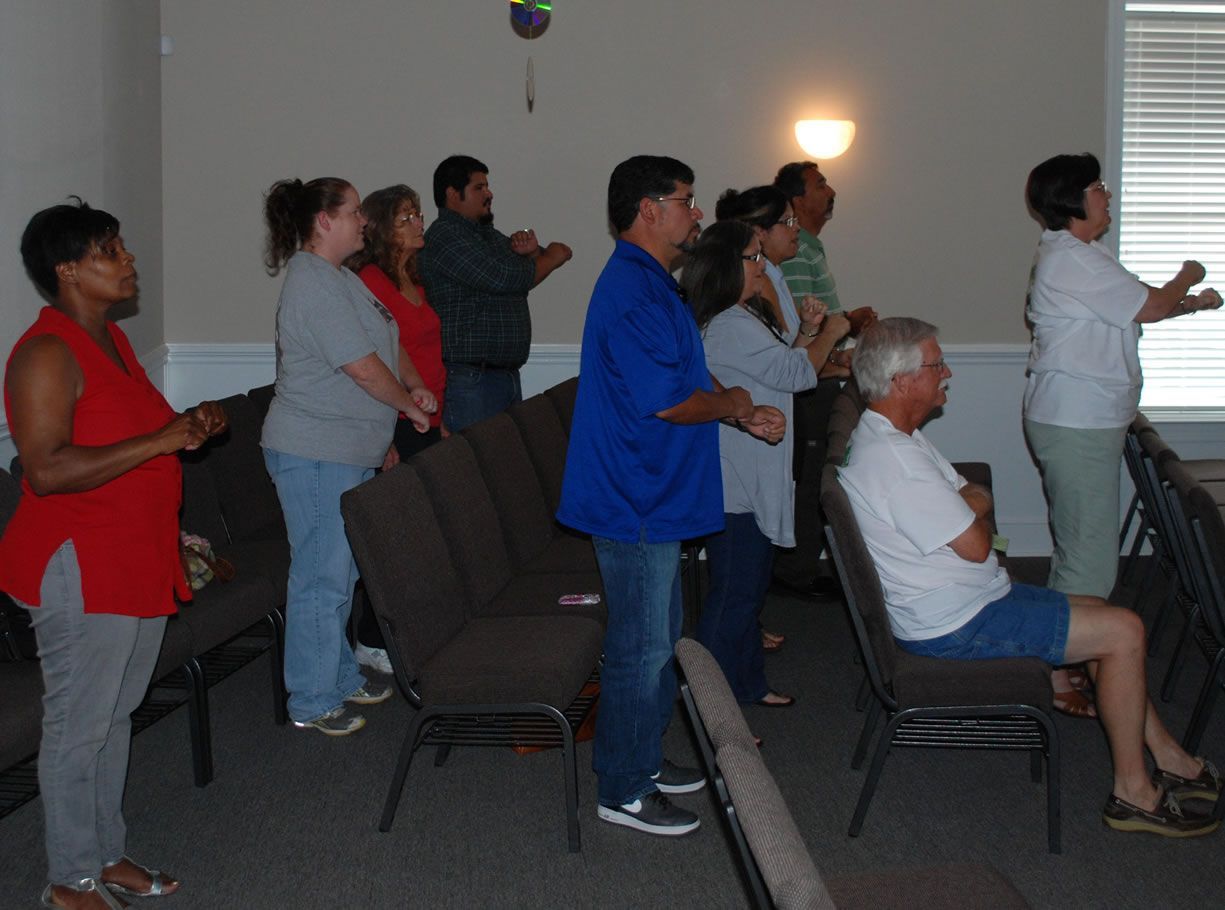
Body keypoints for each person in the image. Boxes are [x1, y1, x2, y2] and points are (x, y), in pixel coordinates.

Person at [840, 317, 1221, 837]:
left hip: (962, 602)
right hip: (956, 624)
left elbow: (971, 495)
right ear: (902, 382)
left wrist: (968, 503)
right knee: (1124, 631)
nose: (948, 372)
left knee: (1100, 611)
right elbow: (977, 544)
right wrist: (969, 504)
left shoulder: (892, 437)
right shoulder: (897, 463)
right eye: (937, 364)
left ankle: (1169, 757)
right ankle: (1133, 793)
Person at [1, 200, 227, 909]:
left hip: (133, 553)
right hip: (80, 562)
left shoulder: (111, 341)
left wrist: (190, 425)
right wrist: (162, 440)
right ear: (67, 270)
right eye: (109, 250)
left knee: (115, 713)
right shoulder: (45, 353)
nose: (128, 259)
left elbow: (136, 435)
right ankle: (69, 880)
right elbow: (46, 469)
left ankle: (104, 853)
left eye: (121, 246)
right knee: (78, 724)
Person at [557, 156, 785, 837]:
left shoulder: (654, 282)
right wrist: (734, 403)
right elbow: (668, 403)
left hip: (655, 493)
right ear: (648, 210)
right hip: (634, 497)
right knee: (639, 647)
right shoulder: (632, 289)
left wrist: (739, 411)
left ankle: (644, 761)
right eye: (686, 200)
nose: (697, 212)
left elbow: (686, 373)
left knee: (659, 638)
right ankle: (623, 788)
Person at [260, 177, 433, 737]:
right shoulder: (311, 282)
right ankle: (312, 699)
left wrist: (412, 390)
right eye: (354, 211)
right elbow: (360, 367)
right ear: (324, 221)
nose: (364, 221)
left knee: (342, 571)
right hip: (314, 450)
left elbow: (387, 343)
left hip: (346, 448)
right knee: (321, 575)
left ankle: (335, 675)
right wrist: (407, 407)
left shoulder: (341, 278)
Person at [1023, 153, 1222, 602]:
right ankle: (1070, 643)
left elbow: (1136, 306)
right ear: (1071, 199)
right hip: (1077, 420)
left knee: (1083, 547)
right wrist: (1188, 275)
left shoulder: (1086, 254)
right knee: (1089, 559)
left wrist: (1191, 304)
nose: (1107, 195)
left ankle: (1064, 640)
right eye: (1097, 188)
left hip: (1082, 418)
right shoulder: (1070, 259)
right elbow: (1150, 305)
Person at [686, 220, 841, 709]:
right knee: (735, 593)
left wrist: (809, 332)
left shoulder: (743, 316)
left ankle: (749, 684)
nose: (763, 266)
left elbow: (781, 366)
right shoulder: (728, 324)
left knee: (749, 592)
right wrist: (833, 332)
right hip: (737, 477)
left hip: (753, 468)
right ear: (727, 265)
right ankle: (710, 706)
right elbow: (797, 374)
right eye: (754, 257)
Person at [715, 185, 852, 648]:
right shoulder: (732, 315)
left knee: (752, 560)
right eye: (786, 223)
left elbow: (787, 355)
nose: (795, 231)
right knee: (740, 566)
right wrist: (830, 333)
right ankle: (732, 651)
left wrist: (812, 334)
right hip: (748, 441)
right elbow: (789, 368)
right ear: (758, 232)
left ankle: (744, 637)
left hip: (768, 421)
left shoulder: (765, 282)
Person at [340, 184, 447, 676]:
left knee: (424, 537)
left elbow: (422, 357)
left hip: (425, 418)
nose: (419, 223)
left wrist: (440, 424)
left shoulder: (413, 280)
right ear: (383, 229)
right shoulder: (371, 281)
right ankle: (371, 639)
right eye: (406, 217)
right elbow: (373, 361)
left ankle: (411, 632)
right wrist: (384, 439)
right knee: (396, 539)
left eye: (418, 214)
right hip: (396, 423)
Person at [770, 161, 877, 596]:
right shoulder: (797, 255)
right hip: (809, 386)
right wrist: (843, 331)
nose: (831, 191)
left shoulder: (810, 248)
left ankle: (801, 565)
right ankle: (796, 570)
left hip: (821, 375)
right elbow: (799, 327)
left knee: (820, 473)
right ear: (797, 200)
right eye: (820, 185)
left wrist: (843, 338)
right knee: (810, 477)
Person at [418, 155, 573, 431]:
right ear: (452, 194)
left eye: (487, 186)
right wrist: (552, 256)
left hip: (500, 377)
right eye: (479, 188)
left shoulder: (485, 235)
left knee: (505, 457)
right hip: (470, 380)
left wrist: (533, 255)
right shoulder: (445, 236)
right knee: (473, 458)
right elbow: (503, 278)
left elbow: (521, 274)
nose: (489, 194)